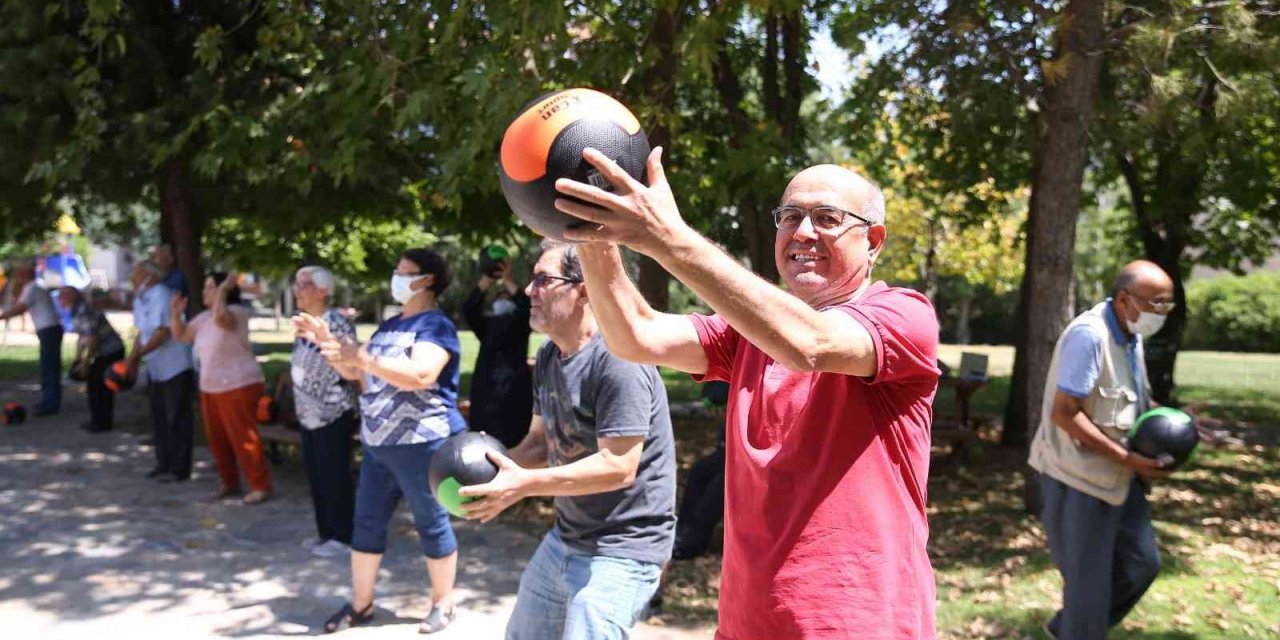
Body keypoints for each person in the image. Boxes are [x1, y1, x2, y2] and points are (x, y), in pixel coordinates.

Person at [553, 149, 941, 638]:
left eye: (827, 218)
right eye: (791, 216)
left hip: (856, 623)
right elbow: (636, 335)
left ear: (874, 241)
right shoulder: (747, 334)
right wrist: (591, 230)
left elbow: (812, 345)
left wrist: (668, 239)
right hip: (747, 621)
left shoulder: (905, 314)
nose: (803, 233)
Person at [457, 240, 676, 640]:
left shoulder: (618, 358)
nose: (528, 290)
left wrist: (522, 487)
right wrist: (492, 472)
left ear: (585, 287)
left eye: (543, 279)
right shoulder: (548, 356)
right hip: (567, 536)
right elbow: (540, 444)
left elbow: (618, 466)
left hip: (625, 548)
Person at [295, 248, 465, 635]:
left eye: (406, 272)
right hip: (378, 443)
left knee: (432, 523)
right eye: (397, 271)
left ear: (428, 281)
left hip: (423, 443)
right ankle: (361, 605)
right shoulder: (388, 327)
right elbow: (358, 374)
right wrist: (330, 346)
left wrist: (363, 359)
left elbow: (422, 374)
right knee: (365, 524)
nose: (397, 277)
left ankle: (443, 603)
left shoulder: (436, 325)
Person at [1028, 260, 1183, 639]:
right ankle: (1079, 627)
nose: (1161, 314)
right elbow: (1066, 414)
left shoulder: (1131, 335)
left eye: (1168, 306)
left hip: (1118, 475)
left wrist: (1178, 422)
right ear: (1124, 299)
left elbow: (1132, 400)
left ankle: (1070, 628)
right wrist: (1129, 459)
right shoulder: (1090, 336)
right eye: (1156, 304)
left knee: (1141, 566)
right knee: (1088, 590)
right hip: (1076, 477)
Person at [169, 271, 271, 504]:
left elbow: (222, 320)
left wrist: (224, 291)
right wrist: (175, 314)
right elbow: (182, 335)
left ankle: (260, 485)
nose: (205, 292)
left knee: (243, 436)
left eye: (210, 287)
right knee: (218, 437)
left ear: (223, 290)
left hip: (238, 383)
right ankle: (229, 482)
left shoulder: (236, 312)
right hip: (211, 386)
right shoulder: (203, 317)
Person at [290, 265, 359, 558]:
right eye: (297, 284)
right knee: (318, 476)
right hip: (309, 416)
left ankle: (343, 537)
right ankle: (326, 533)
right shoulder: (305, 324)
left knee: (335, 477)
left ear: (323, 290)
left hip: (333, 413)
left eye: (303, 284)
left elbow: (349, 364)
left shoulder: (336, 323)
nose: (297, 290)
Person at [127, 261, 196, 482]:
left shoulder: (162, 295)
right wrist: (133, 356)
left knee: (177, 416)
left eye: (137, 276)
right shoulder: (141, 298)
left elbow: (163, 332)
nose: (133, 280)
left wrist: (138, 355)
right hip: (155, 367)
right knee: (159, 417)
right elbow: (142, 332)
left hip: (175, 365)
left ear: (149, 276)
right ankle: (163, 462)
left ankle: (179, 468)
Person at [461, 251, 534, 448]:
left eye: (507, 296)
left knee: (514, 437)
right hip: (485, 388)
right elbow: (469, 309)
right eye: (499, 296)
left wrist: (508, 281)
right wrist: (487, 280)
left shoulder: (521, 324)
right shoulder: (486, 326)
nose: (502, 298)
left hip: (515, 389)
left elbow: (528, 307)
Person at [0, 262, 64, 416]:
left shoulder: (32, 287)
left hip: (48, 330)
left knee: (49, 367)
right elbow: (20, 306)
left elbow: (20, 308)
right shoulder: (36, 285)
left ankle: (51, 404)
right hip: (51, 329)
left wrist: (1, 316)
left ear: (24, 274)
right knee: (49, 366)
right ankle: (49, 401)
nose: (15, 277)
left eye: (17, 274)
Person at [59, 286, 126, 432]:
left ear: (71, 297)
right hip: (101, 351)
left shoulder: (84, 310)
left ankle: (103, 423)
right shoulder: (75, 310)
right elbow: (81, 337)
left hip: (110, 351)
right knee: (93, 386)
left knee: (101, 387)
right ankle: (97, 420)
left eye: (62, 296)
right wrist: (78, 359)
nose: (59, 300)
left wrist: (85, 363)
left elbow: (91, 338)